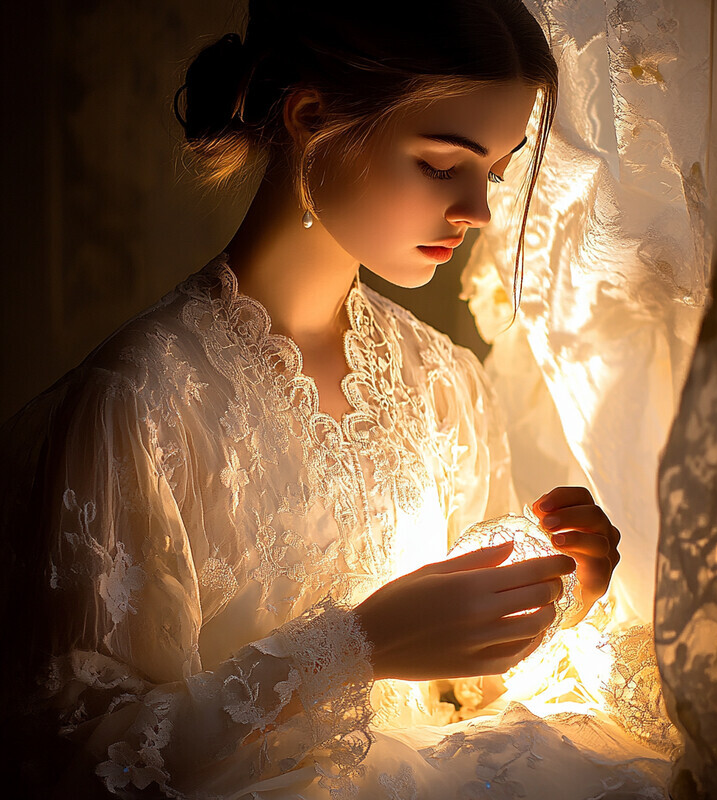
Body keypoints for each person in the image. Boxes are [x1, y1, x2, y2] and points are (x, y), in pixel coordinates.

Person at [0, 1, 672, 796]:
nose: (478, 212)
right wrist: (355, 647)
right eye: (439, 163)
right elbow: (82, 760)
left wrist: (556, 595)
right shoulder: (141, 406)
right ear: (313, 118)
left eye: (493, 171)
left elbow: (460, 700)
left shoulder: (443, 381)